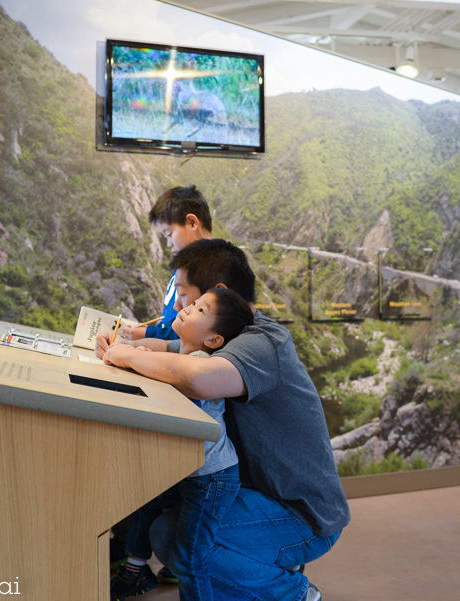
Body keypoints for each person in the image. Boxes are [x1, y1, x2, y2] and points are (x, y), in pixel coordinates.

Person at [99, 239, 350, 601]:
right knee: (166, 524)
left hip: (303, 514)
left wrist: (128, 356)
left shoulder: (261, 341)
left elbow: (198, 378)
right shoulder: (224, 335)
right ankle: (260, 569)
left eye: (188, 298)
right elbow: (170, 351)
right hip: (258, 493)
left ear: (217, 294)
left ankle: (293, 592)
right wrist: (116, 345)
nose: (180, 307)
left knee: (175, 538)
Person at [109, 288, 254, 601]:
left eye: (201, 310)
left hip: (211, 478)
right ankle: (134, 570)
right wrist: (126, 348)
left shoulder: (200, 364)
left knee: (190, 559)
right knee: (145, 500)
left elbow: (179, 391)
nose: (188, 307)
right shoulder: (182, 351)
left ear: (214, 340)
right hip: (189, 469)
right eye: (195, 302)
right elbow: (159, 351)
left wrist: (137, 360)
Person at [123, 185, 212, 342]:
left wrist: (149, 334)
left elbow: (192, 333)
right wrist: (152, 331)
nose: (168, 244)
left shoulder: (213, 270)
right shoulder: (182, 267)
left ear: (192, 223)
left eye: (169, 234)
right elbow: (169, 325)